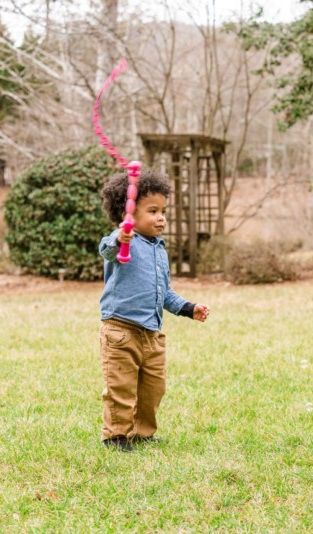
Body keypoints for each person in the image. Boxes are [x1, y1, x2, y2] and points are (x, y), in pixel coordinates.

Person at [98, 169, 210, 452]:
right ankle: (116, 436)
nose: (161, 217)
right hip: (121, 331)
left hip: (152, 334)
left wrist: (188, 308)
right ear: (129, 213)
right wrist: (119, 239)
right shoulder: (123, 240)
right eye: (153, 211)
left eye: (163, 211)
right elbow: (107, 249)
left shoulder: (159, 249)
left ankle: (143, 432)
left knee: (153, 389)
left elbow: (164, 292)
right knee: (121, 388)